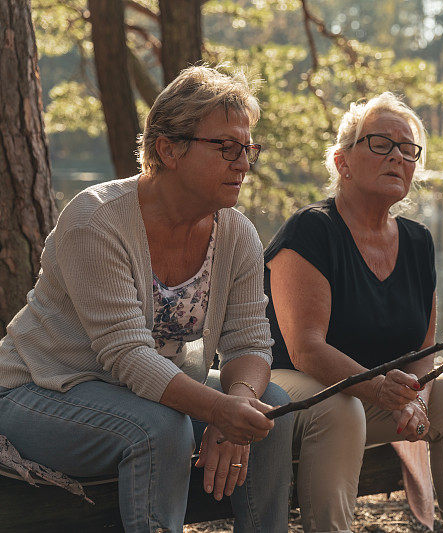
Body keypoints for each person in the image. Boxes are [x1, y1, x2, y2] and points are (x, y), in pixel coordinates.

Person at [0, 66, 293, 533]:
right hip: (40, 391)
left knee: (268, 409)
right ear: (168, 149)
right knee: (158, 429)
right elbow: (127, 356)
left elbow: (251, 344)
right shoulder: (95, 221)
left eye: (248, 148)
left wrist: (238, 403)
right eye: (226, 147)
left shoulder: (236, 233)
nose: (243, 162)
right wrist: (217, 411)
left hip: (144, 396)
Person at [264, 92, 443, 532]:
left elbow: (425, 344)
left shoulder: (418, 240)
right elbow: (306, 350)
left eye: (408, 150)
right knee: (341, 407)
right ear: (342, 162)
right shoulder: (313, 230)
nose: (398, 158)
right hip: (282, 387)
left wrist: (417, 399)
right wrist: (380, 390)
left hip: (365, 394)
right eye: (381, 144)